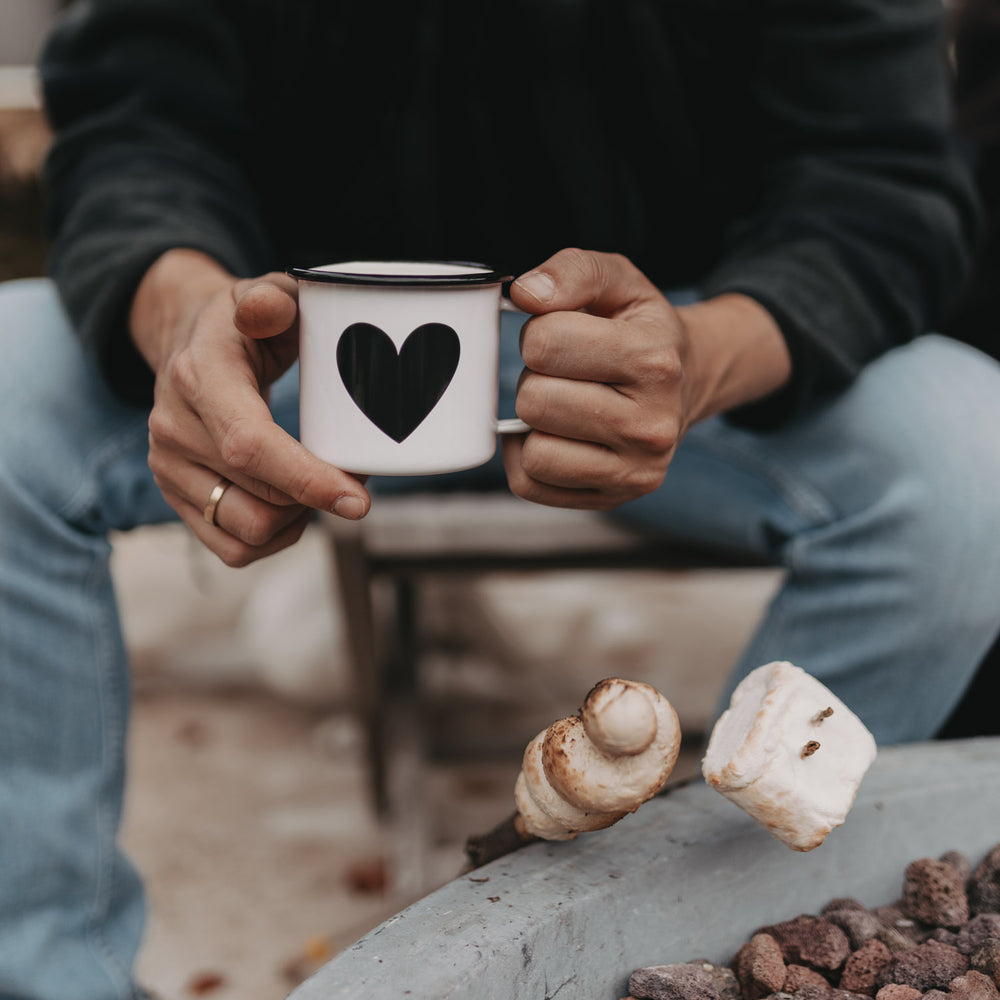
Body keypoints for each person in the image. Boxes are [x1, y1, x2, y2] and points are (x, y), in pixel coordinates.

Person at [2, 1, 1000, 997]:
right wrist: (185, 319)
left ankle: (723, 936)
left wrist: (699, 358)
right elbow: (135, 116)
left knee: (971, 464)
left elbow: (879, 179)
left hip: (680, 331)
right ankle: (49, 975)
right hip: (300, 326)